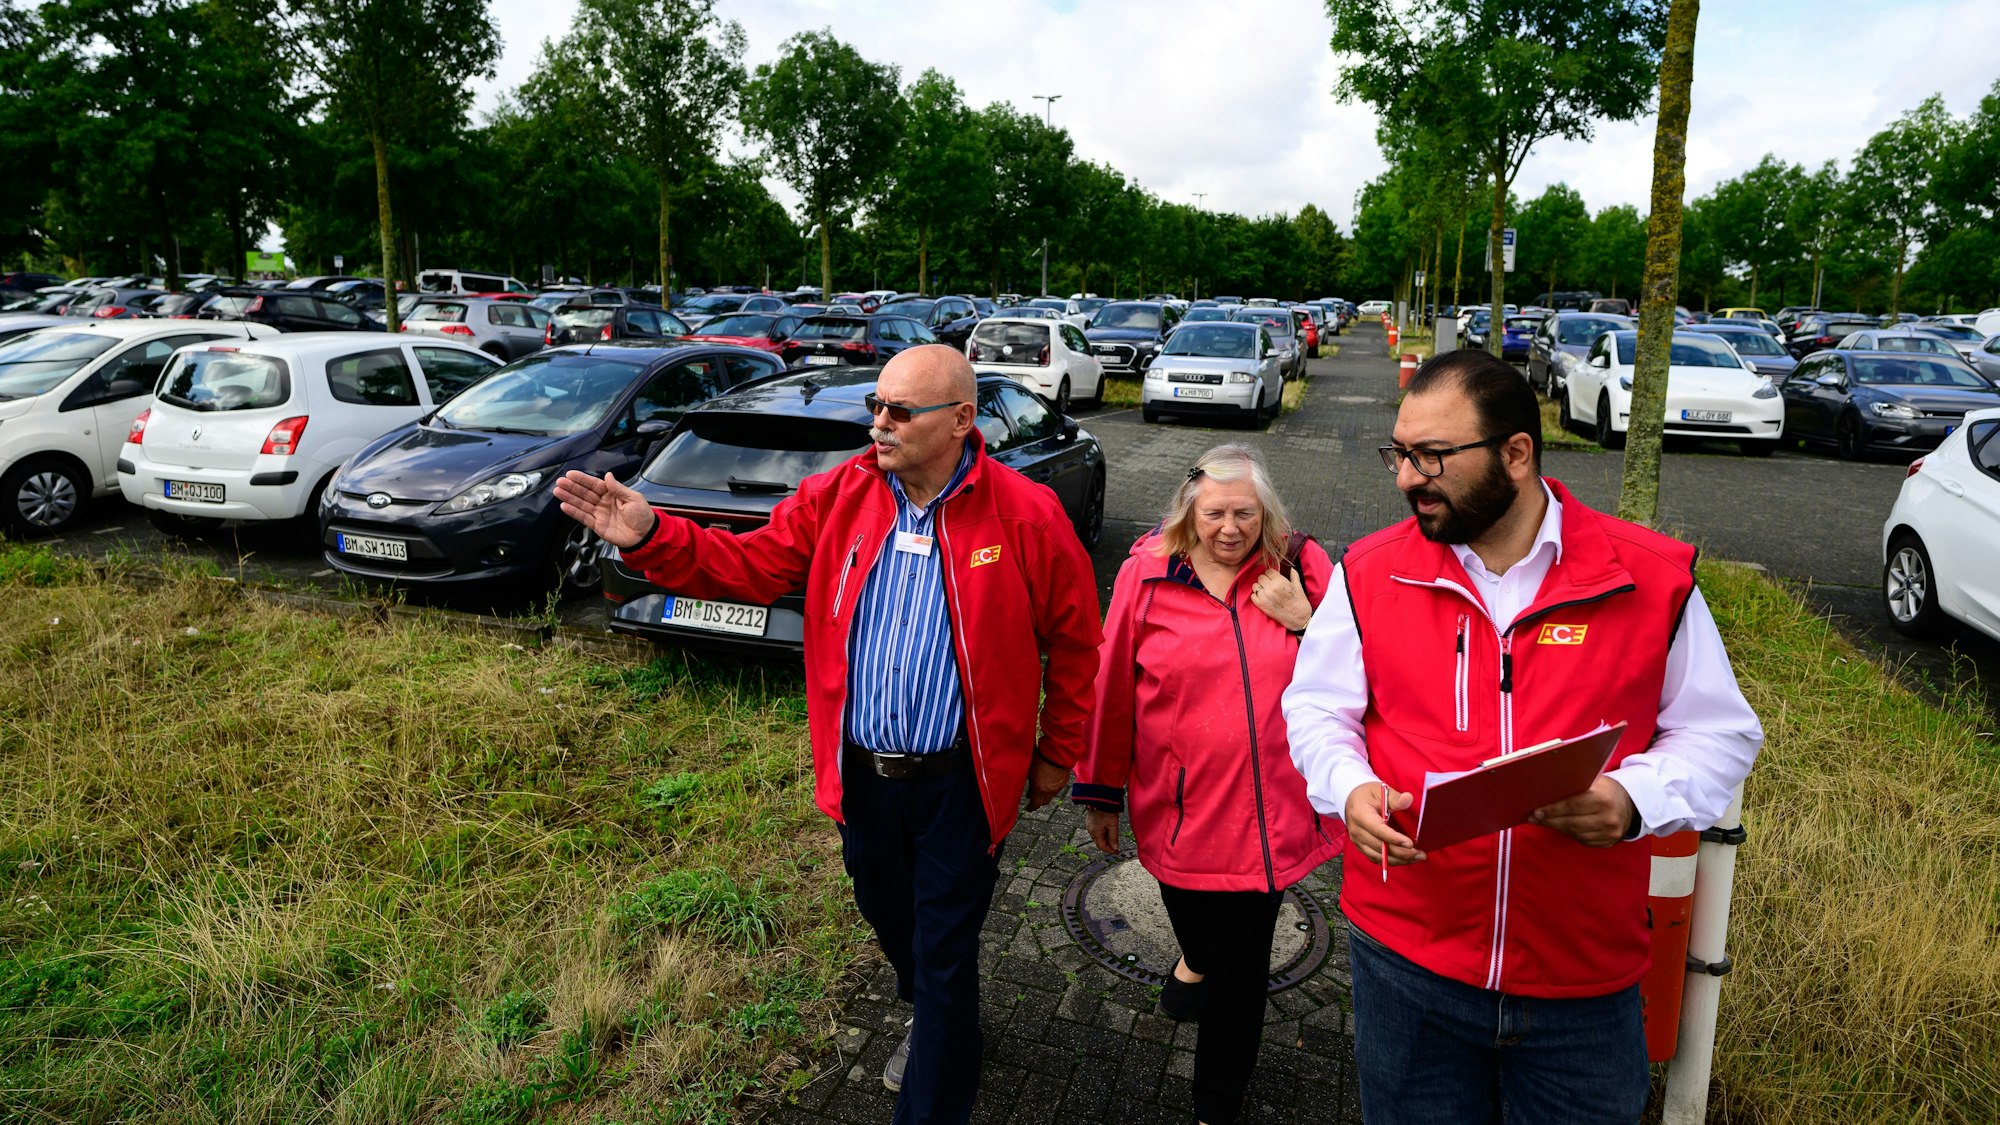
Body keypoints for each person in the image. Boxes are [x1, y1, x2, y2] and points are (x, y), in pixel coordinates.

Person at [553, 345, 1102, 1125]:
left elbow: (1078, 643)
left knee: (948, 960)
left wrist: (1055, 754)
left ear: (959, 421)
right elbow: (746, 565)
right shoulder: (841, 495)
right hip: (864, 778)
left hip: (964, 783)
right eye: (875, 405)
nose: (879, 422)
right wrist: (650, 536)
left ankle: (940, 1051)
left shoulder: (1024, 513)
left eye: (899, 411)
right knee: (888, 912)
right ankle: (936, 1012)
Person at [1283, 348, 1764, 1125]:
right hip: (1408, 966)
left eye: (1432, 455)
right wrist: (1348, 786)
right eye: (1399, 454)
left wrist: (1634, 798)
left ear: (1517, 453)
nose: (1406, 477)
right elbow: (1315, 708)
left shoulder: (1647, 578)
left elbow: (1719, 733)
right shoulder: (1369, 572)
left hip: (1582, 984)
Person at [1073, 443, 1344, 1125]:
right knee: (1194, 918)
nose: (1231, 528)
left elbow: (1358, 671)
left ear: (1267, 512)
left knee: (1241, 975)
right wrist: (1101, 788)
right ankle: (1192, 958)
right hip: (1180, 810)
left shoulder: (1304, 566)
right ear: (1191, 511)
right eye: (1216, 513)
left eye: (1245, 514)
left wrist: (1307, 621)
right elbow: (1111, 689)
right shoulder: (1148, 572)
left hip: (1268, 819)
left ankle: (1215, 1104)